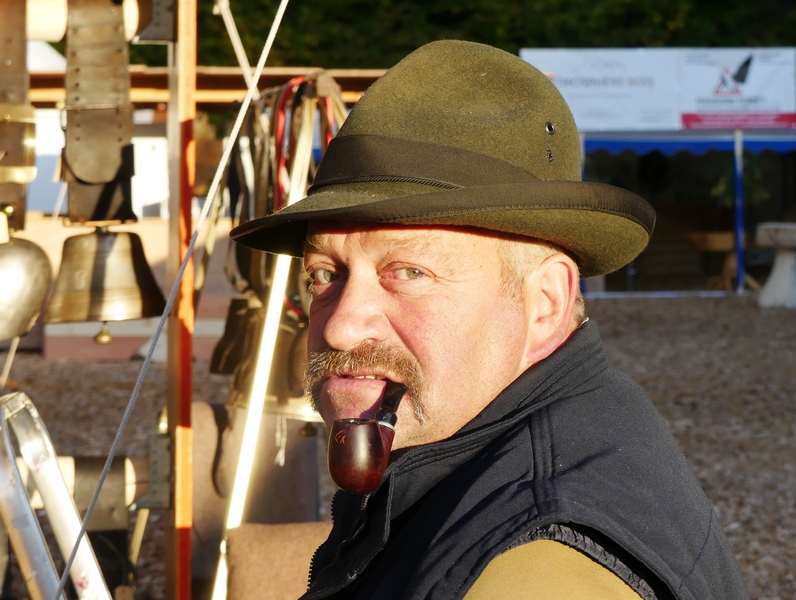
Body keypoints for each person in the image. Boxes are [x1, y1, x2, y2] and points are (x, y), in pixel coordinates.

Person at [231, 40, 748, 600]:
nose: (340, 326)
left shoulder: (542, 566)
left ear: (545, 302)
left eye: (409, 272)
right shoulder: (516, 440)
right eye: (324, 274)